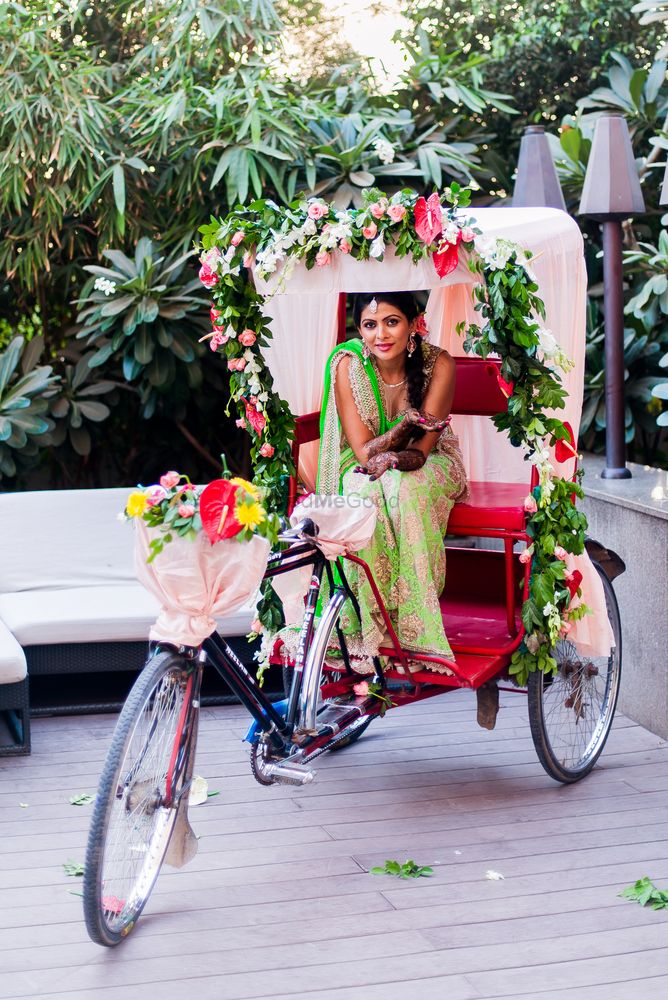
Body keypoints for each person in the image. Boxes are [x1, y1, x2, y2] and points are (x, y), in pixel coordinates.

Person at [317, 291, 468, 672]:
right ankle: (371, 629)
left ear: (414, 324)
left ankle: (415, 631)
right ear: (359, 331)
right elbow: (365, 453)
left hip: (431, 460)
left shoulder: (439, 365)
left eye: (391, 321)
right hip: (373, 462)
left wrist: (395, 453)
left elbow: (420, 452)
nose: (380, 334)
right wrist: (400, 429)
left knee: (405, 486)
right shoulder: (349, 365)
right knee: (360, 488)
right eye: (370, 325)